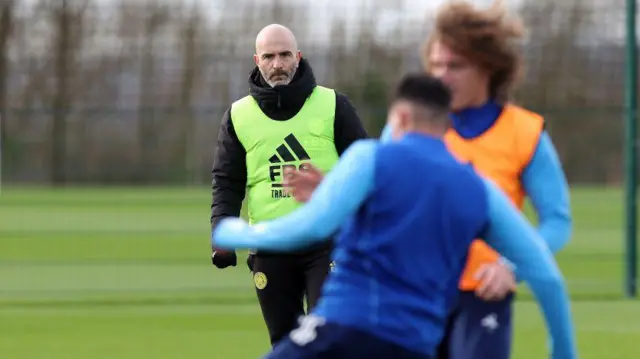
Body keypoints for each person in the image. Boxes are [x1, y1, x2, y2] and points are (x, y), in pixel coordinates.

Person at [211, 73, 578, 359]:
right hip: (414, 344)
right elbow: (547, 276)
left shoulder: (371, 158)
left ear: (400, 116)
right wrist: (563, 352)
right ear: (447, 125)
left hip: (343, 327)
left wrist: (235, 232)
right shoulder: (480, 190)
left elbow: (310, 226)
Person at [417, 2, 573, 359]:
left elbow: (557, 222)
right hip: (418, 291)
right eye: (436, 65)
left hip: (483, 297)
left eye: (455, 66)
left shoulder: (525, 132)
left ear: (488, 67)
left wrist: (511, 268)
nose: (441, 76)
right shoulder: (411, 127)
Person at [209, 23, 368, 346]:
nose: (277, 64)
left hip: (328, 242)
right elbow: (227, 181)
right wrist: (221, 233)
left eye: (284, 55)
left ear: (298, 56)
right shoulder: (238, 116)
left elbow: (365, 170)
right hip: (271, 244)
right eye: (269, 56)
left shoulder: (333, 105)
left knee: (329, 337)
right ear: (257, 60)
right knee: (284, 343)